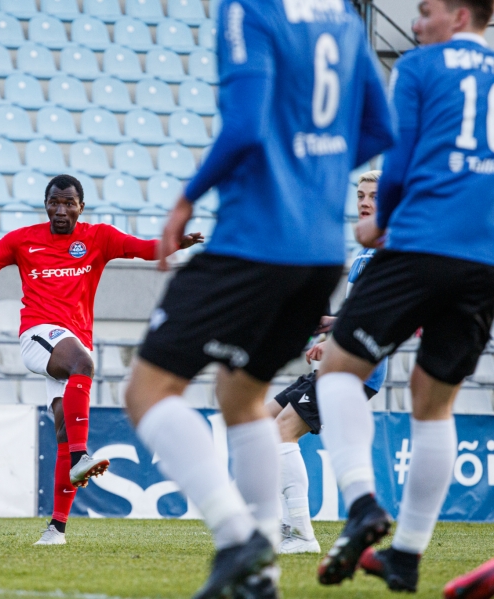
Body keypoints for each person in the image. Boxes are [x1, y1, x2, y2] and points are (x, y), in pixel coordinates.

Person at [122, 0, 394, 595]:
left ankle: (237, 535)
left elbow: (245, 125)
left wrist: (187, 197)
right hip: (318, 256)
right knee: (241, 398)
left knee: (145, 391)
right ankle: (262, 572)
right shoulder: (344, 19)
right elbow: (381, 130)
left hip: (254, 243)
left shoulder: (251, 10)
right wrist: (313, 170)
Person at [0, 174, 202, 546]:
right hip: (39, 335)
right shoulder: (23, 240)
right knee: (83, 368)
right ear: (46, 205)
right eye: (54, 202)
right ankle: (82, 457)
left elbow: (143, 249)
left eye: (69, 203)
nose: (60, 210)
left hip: (73, 343)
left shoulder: (98, 237)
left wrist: (176, 243)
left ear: (81, 207)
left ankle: (56, 530)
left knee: (64, 432)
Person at [314, 0, 494, 592]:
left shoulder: (420, 66)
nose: (416, 23)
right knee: (434, 404)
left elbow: (398, 159)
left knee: (337, 369)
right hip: (484, 261)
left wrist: (377, 222)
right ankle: (407, 557)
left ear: (460, 14)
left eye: (425, 10)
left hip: (420, 243)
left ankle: (363, 502)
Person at [269, 170, 389, 555]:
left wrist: (337, 339)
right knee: (262, 423)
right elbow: (359, 312)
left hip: (359, 368)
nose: (365, 202)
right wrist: (331, 325)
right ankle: (277, 526)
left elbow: (383, 316)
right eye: (361, 195)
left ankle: (301, 534)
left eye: (374, 196)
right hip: (339, 360)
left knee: (282, 430)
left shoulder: (392, 251)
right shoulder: (364, 251)